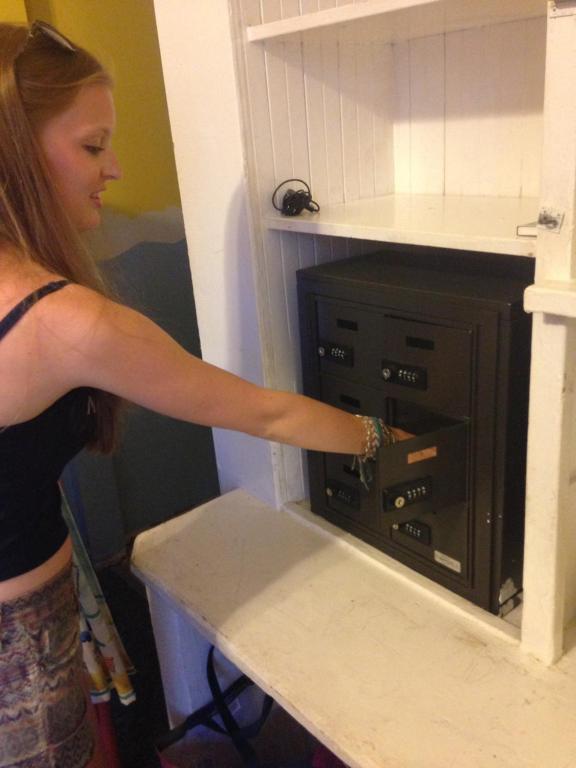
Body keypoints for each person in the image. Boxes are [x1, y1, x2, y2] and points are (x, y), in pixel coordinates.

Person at [0, 20, 408, 768]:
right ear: (14, 154)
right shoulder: (64, 322)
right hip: (17, 641)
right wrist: (388, 439)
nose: (114, 167)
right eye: (92, 145)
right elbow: (265, 410)